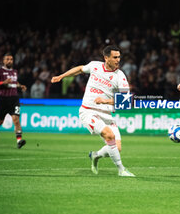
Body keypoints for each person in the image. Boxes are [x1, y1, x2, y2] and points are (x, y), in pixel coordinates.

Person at [51, 45, 135, 177]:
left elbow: (126, 101)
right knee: (110, 136)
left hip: (106, 114)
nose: (118, 60)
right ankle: (121, 170)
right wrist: (61, 76)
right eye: (115, 57)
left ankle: (96, 155)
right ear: (106, 58)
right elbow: (80, 69)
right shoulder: (95, 65)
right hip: (88, 111)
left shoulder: (120, 76)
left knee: (116, 148)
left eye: (119, 57)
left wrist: (105, 101)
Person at [0, 53, 27, 149]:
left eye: (11, 59)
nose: (10, 61)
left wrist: (20, 85)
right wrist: (3, 82)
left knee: (16, 120)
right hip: (3, 100)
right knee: (0, 121)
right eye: (7, 59)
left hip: (14, 99)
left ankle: (19, 141)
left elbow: (15, 82)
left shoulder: (15, 71)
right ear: (3, 61)